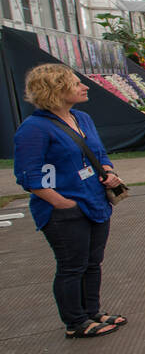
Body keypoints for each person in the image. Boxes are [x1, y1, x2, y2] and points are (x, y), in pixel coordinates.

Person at [12, 64, 126, 338]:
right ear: (55, 90)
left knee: (92, 262)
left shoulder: (82, 119)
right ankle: (76, 322)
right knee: (71, 265)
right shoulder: (34, 129)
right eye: (76, 84)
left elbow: (99, 154)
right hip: (65, 210)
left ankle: (92, 311)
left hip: (95, 202)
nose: (84, 87)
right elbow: (28, 175)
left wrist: (109, 173)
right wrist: (62, 203)